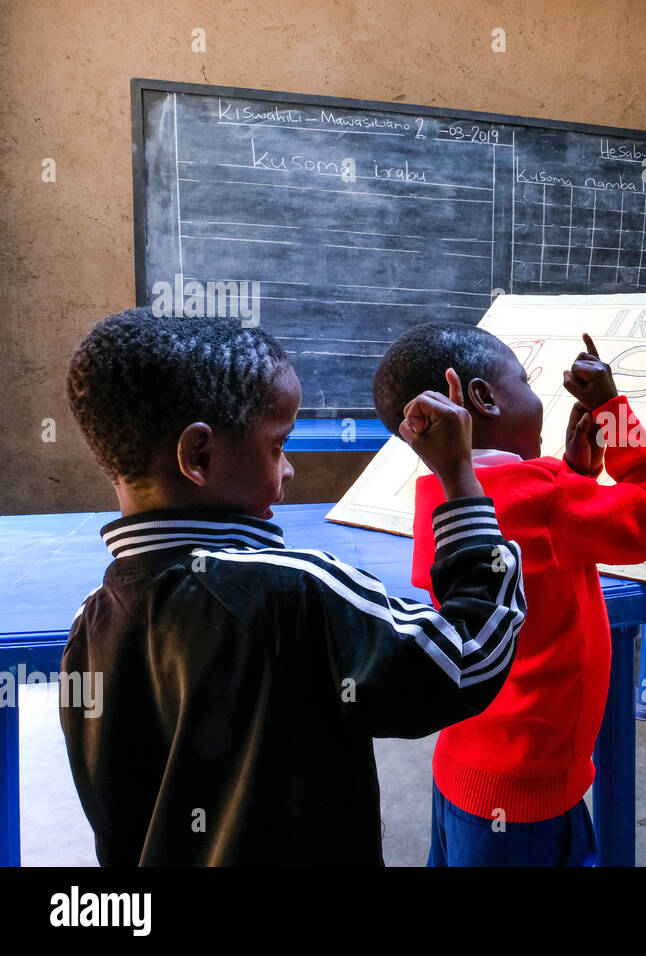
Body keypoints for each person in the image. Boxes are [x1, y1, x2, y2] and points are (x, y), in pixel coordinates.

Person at [60, 308, 525, 865]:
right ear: (199, 456)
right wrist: (459, 478)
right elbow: (466, 658)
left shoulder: (89, 622)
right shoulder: (293, 589)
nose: (289, 472)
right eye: (278, 446)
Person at [373, 322, 646, 867]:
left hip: (467, 776)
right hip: (530, 801)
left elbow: (522, 545)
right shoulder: (547, 497)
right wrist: (612, 411)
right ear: (483, 399)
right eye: (524, 378)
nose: (534, 390)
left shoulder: (436, 496)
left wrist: (571, 475)